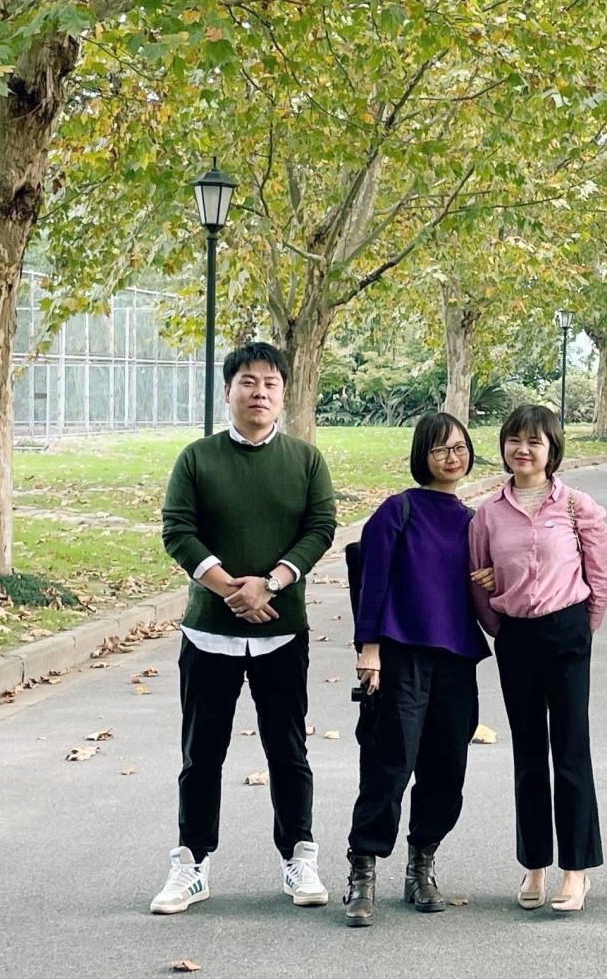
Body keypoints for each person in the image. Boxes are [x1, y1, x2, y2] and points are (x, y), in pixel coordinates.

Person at [152, 342, 337, 915]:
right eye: (248, 382)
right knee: (201, 754)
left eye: (270, 383)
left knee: (288, 750)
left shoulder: (305, 460)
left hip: (282, 630)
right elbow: (177, 530)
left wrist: (271, 584)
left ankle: (299, 855)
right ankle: (191, 863)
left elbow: (321, 527)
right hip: (209, 632)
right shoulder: (196, 459)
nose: (259, 393)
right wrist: (232, 589)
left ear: (283, 393)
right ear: (228, 390)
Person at [342, 412, 491, 926]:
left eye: (460, 447)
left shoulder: (475, 520)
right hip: (400, 654)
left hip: (456, 657)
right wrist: (369, 649)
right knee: (388, 764)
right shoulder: (398, 510)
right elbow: (373, 583)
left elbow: (485, 584)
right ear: (422, 456)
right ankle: (362, 870)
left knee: (446, 769)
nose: (453, 457)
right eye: (440, 449)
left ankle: (421, 863)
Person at [468, 404, 607, 912]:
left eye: (534, 441)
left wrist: (584, 625)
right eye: (514, 440)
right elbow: (478, 579)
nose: (523, 450)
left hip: (567, 632)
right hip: (516, 638)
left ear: (552, 449)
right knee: (528, 755)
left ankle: (575, 871)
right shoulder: (488, 514)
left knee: (571, 751)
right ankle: (534, 865)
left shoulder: (575, 505)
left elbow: (602, 571)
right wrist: (500, 627)